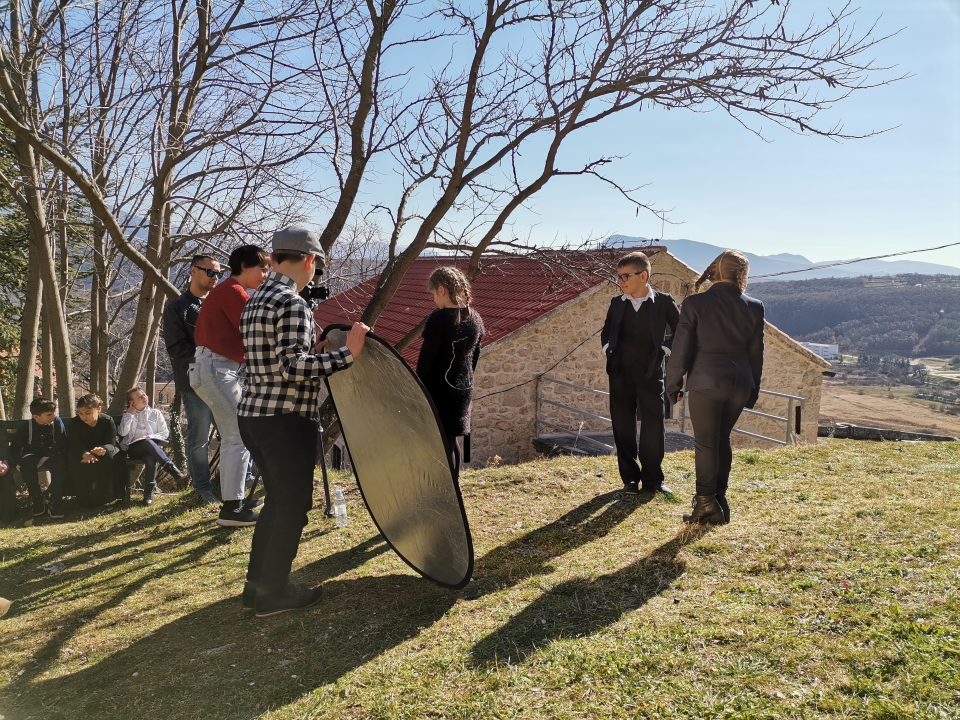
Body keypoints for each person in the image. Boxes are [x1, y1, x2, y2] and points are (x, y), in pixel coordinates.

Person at [238, 225, 369, 618]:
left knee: (278, 503)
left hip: (254, 416)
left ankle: (256, 588)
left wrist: (316, 349)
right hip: (283, 421)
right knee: (293, 506)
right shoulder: (292, 303)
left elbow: (274, 359)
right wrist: (350, 354)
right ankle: (274, 593)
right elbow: (294, 367)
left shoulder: (255, 297)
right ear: (310, 261)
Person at [666, 250, 764, 525]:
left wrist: (673, 384)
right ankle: (720, 501)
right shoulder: (755, 306)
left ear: (714, 273)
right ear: (742, 275)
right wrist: (752, 390)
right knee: (722, 439)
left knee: (706, 443)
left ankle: (706, 505)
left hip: (706, 383)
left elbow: (680, 349)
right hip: (740, 384)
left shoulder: (695, 304)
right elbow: (758, 353)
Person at [192, 244, 270, 527]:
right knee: (238, 437)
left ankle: (233, 502)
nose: (265, 274)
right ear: (244, 266)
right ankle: (232, 510)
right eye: (262, 268)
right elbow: (257, 333)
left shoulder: (228, 291)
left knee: (233, 438)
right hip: (217, 369)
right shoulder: (234, 292)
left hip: (214, 369)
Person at [601, 251, 680, 495]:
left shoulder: (664, 302)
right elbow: (606, 331)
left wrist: (665, 349)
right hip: (620, 373)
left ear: (643, 275)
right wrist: (608, 349)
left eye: (626, 276)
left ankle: (654, 480)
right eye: (619, 277)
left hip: (651, 373)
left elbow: (682, 331)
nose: (621, 281)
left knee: (654, 425)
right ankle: (630, 480)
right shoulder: (617, 303)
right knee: (623, 425)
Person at [162, 254, 223, 505]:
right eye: (210, 272)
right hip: (195, 383)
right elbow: (177, 349)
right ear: (193, 271)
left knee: (237, 433)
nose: (215, 277)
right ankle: (202, 489)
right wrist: (212, 354)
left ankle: (243, 479)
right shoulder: (177, 308)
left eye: (218, 273)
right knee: (199, 439)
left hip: (225, 380)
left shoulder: (219, 303)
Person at [416, 266, 485, 482]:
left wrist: (417, 386)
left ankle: (448, 489)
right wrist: (465, 379)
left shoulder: (439, 319)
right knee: (450, 438)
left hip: (439, 390)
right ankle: (454, 486)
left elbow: (426, 359)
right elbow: (475, 356)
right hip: (463, 388)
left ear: (442, 290)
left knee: (440, 441)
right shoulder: (475, 319)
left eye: (434, 293)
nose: (434, 298)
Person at [119, 388, 187, 506]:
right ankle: (171, 468)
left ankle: (148, 495)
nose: (144, 397)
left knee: (150, 455)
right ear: (132, 402)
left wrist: (149, 437)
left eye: (144, 395)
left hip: (151, 448)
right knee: (147, 443)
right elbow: (123, 433)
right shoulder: (128, 415)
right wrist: (129, 414)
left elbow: (164, 433)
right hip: (133, 449)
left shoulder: (155, 413)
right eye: (139, 397)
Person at [11, 397, 68, 518]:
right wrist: (17, 461)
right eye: (49, 414)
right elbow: (16, 446)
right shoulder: (27, 426)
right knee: (26, 465)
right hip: (32, 453)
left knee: (60, 465)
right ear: (36, 417)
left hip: (52, 453)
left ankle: (55, 501)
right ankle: (37, 498)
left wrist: (45, 458)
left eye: (54, 413)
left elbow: (60, 443)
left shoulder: (57, 422)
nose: (53, 416)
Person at [67, 394, 124, 507]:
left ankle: (106, 497)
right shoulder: (75, 423)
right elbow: (74, 443)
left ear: (98, 409)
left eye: (88, 413)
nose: (84, 416)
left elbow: (111, 442)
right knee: (73, 459)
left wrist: (103, 449)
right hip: (81, 450)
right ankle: (84, 500)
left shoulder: (107, 420)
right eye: (81, 413)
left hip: (103, 449)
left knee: (110, 457)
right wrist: (85, 454)